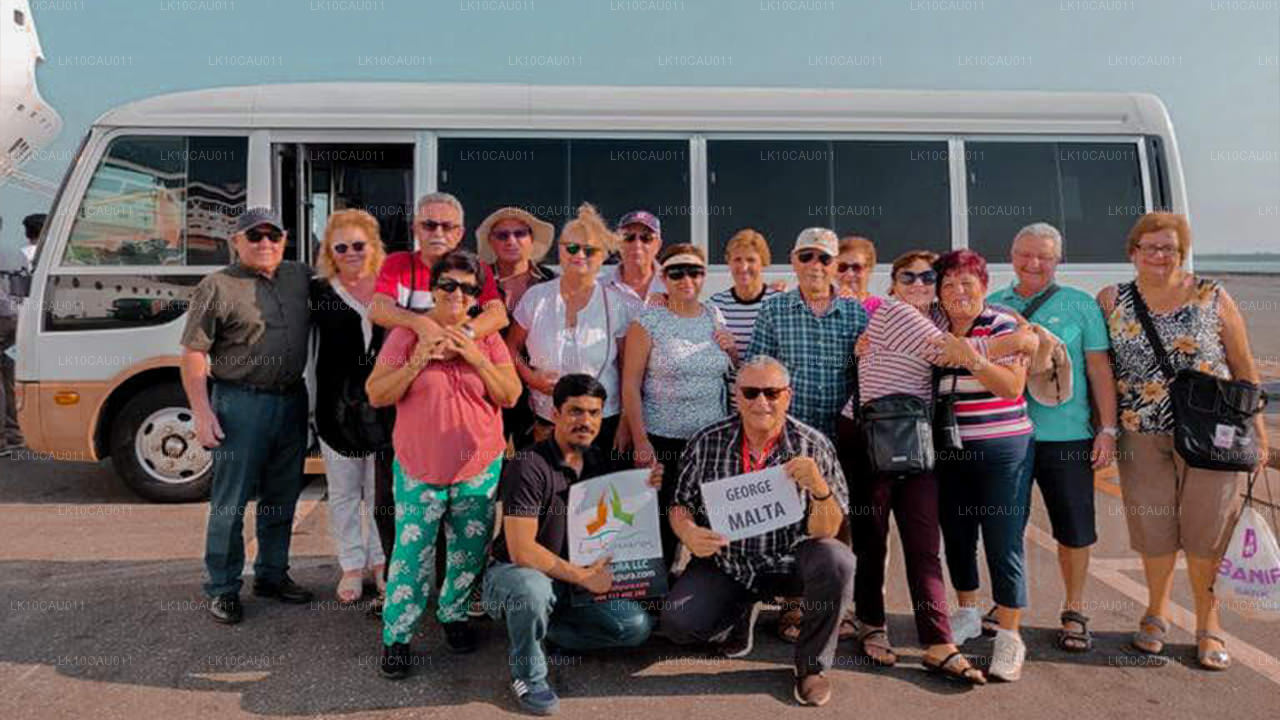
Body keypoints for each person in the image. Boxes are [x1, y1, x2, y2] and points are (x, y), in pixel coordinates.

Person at [837, 249, 1034, 684]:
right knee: (872, 537)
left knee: (924, 542)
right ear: (893, 285)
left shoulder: (940, 316)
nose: (919, 285)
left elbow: (971, 327)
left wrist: (1029, 332)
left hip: (916, 438)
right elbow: (947, 353)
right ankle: (872, 623)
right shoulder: (895, 312)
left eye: (929, 278)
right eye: (908, 277)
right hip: (869, 434)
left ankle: (939, 643)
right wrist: (1018, 342)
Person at [1098, 212, 1266, 671]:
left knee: (1207, 532)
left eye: (1169, 248)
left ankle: (1209, 625)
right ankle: (1156, 612)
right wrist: (1102, 428)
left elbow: (1244, 366)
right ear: (1133, 252)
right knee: (1153, 530)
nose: (1160, 255)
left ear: (1182, 253)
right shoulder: (1112, 299)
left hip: (1214, 436)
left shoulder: (1213, 296)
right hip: (1141, 431)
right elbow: (1100, 368)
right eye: (1150, 247)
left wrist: (1258, 433)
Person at [661, 356, 854, 707]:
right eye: (750, 393)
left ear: (788, 396)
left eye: (771, 393)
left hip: (790, 561)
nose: (761, 401)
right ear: (736, 396)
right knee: (679, 625)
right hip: (728, 562)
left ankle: (812, 668)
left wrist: (819, 488)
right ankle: (738, 612)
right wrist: (687, 532)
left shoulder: (813, 445)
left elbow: (828, 530)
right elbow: (680, 503)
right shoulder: (707, 441)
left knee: (837, 560)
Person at [367, 249, 520, 672]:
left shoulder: (487, 338)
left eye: (468, 289)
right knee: (410, 556)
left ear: (476, 297)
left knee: (469, 553)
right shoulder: (406, 335)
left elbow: (510, 394)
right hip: (420, 468)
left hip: (478, 468)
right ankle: (397, 636)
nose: (457, 294)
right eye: (448, 285)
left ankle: (453, 615)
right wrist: (417, 361)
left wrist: (474, 356)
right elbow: (377, 393)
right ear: (433, 289)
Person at [484, 374, 661, 715]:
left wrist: (648, 484)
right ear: (555, 413)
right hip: (514, 574)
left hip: (569, 581)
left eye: (594, 413)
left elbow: (621, 516)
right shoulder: (528, 465)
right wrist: (583, 577)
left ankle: (545, 632)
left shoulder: (598, 460)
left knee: (635, 627)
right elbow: (522, 551)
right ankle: (528, 675)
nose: (586, 421)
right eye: (576, 411)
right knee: (531, 590)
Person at [987, 222, 1118, 652]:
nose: (1033, 263)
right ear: (1011, 255)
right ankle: (1005, 604)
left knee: (1074, 529)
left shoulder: (1080, 305)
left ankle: (1074, 609)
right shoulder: (994, 305)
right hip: (1007, 435)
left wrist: (1107, 429)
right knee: (1007, 526)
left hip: (1067, 438)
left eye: (1043, 256)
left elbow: (1099, 369)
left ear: (1058, 260)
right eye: (1025, 254)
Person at [180, 207, 314, 625]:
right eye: (254, 236)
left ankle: (272, 574)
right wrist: (201, 412)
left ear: (285, 238)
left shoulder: (300, 277)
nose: (265, 243)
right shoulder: (216, 286)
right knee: (231, 501)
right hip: (240, 403)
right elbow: (193, 352)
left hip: (291, 400)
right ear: (236, 241)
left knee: (282, 495)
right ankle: (222, 587)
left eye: (273, 235)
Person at [931, 249, 1035, 682]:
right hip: (949, 449)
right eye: (948, 284)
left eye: (967, 283)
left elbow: (1012, 386)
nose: (958, 291)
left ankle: (1010, 634)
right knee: (957, 535)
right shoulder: (935, 327)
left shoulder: (1002, 324)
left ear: (984, 287)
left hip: (1002, 449)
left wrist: (971, 356)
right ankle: (968, 612)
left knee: (1002, 539)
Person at [621, 244, 736, 562]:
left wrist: (733, 351)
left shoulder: (714, 315)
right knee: (663, 526)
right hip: (663, 440)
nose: (687, 279)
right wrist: (641, 441)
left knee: (709, 523)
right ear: (664, 278)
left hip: (711, 443)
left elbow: (731, 370)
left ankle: (705, 586)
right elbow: (630, 385)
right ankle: (662, 590)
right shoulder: (648, 322)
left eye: (695, 272)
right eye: (677, 273)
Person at [508, 203, 636, 453]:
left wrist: (625, 420)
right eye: (572, 248)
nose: (580, 255)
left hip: (601, 424)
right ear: (560, 250)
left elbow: (627, 369)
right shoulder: (536, 298)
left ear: (603, 256)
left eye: (590, 250)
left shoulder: (616, 304)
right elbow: (510, 347)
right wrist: (531, 378)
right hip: (546, 421)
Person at [311, 209, 391, 604]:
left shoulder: (390, 289)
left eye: (358, 245)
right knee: (343, 492)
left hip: (382, 404)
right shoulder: (319, 292)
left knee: (380, 492)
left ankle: (380, 562)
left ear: (372, 246)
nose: (350, 253)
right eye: (340, 248)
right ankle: (351, 565)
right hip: (335, 406)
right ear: (330, 251)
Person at [747, 228, 868, 443]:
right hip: (787, 436)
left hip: (843, 437)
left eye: (824, 258)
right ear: (793, 260)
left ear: (835, 265)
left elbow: (865, 372)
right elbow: (756, 371)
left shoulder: (856, 313)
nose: (815, 265)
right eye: (806, 257)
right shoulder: (772, 310)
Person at [369, 191, 508, 342]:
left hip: (460, 353)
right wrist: (420, 323)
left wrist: (460, 335)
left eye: (447, 227)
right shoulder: (398, 263)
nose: (438, 233)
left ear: (459, 234)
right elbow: (378, 309)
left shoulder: (476, 268)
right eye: (429, 225)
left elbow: (498, 315)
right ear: (415, 229)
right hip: (406, 355)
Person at [476, 206, 557, 449]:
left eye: (520, 233)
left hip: (540, 392)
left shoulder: (551, 281)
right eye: (502, 235)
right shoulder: (476, 280)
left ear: (531, 239)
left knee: (536, 460)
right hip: (489, 384)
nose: (511, 240)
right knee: (487, 457)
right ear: (491, 242)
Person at [601, 209, 663, 308]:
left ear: (658, 245)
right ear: (618, 243)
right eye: (628, 237)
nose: (637, 244)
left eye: (646, 238)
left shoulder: (674, 281)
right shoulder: (598, 283)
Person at [835, 234, 882, 316]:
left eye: (856, 267)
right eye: (842, 267)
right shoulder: (824, 308)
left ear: (869, 269)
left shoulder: (882, 309)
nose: (850, 274)